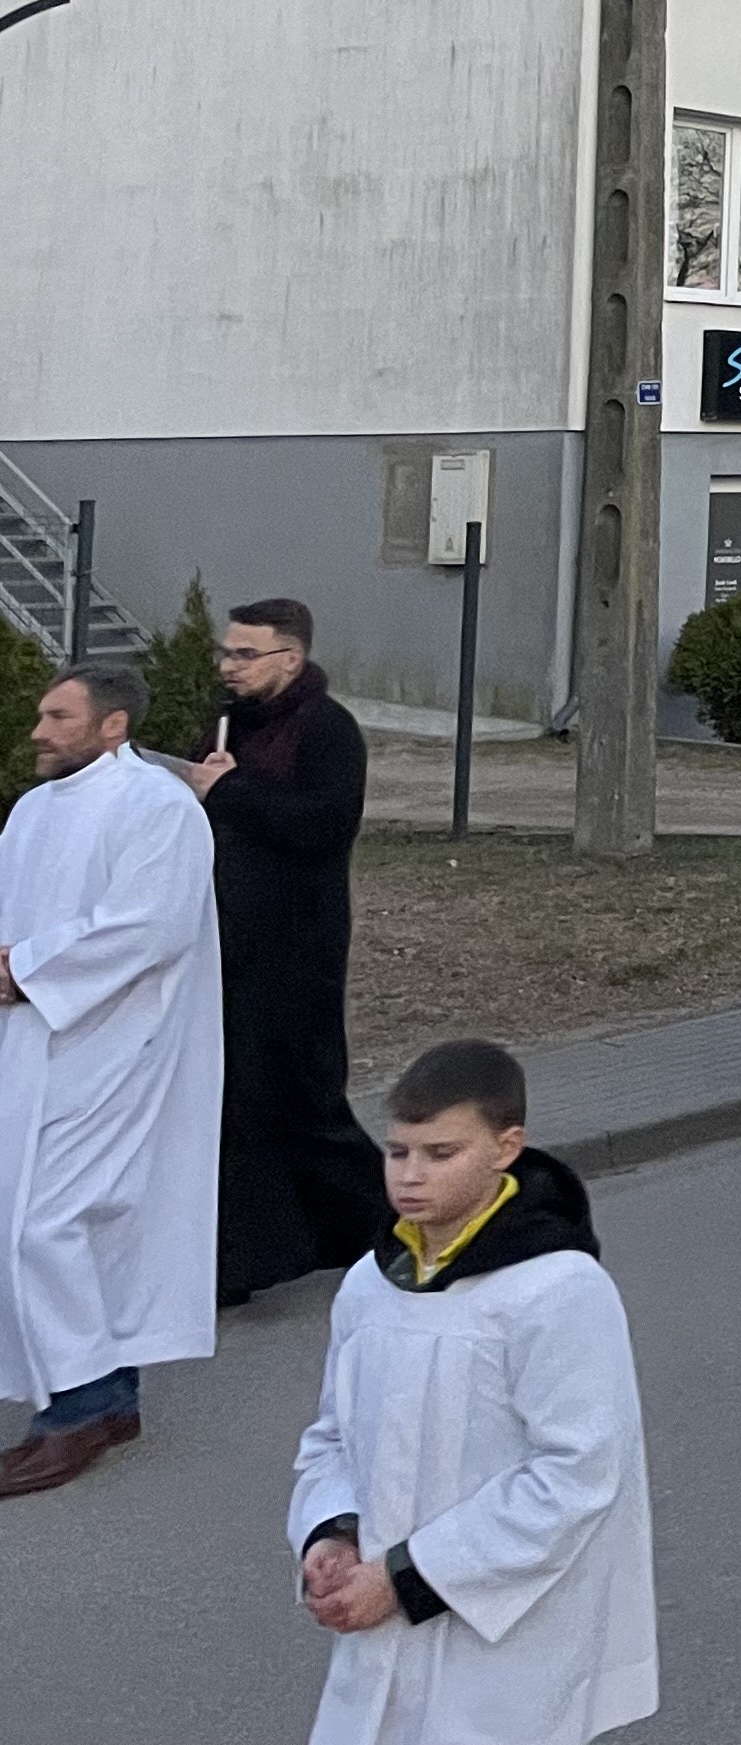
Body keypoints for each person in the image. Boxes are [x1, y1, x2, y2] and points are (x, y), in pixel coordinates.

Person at [290, 1039, 656, 1741]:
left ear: (506, 1147)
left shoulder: (556, 1288)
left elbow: (577, 1472)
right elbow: (334, 1435)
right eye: (398, 1152)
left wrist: (410, 1578)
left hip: (508, 1633)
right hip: (380, 1607)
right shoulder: (370, 1284)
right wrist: (332, 1529)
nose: (410, 1176)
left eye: (441, 1154)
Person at [0, 660, 220, 1498]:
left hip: (123, 1041)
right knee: (53, 1217)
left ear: (113, 725)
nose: (39, 732)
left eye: (58, 717)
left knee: (46, 1223)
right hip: (34, 1041)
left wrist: (26, 969)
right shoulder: (33, 810)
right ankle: (108, 1397)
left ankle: (80, 1409)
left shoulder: (159, 807)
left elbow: (151, 925)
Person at [174, 597, 393, 1297]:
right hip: (226, 941)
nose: (228, 666)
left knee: (305, 1101)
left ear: (290, 659)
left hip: (298, 950)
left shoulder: (328, 730)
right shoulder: (229, 723)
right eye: (227, 652)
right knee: (241, 1099)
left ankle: (397, 1222)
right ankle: (250, 1256)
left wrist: (231, 790)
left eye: (245, 654)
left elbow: (324, 824)